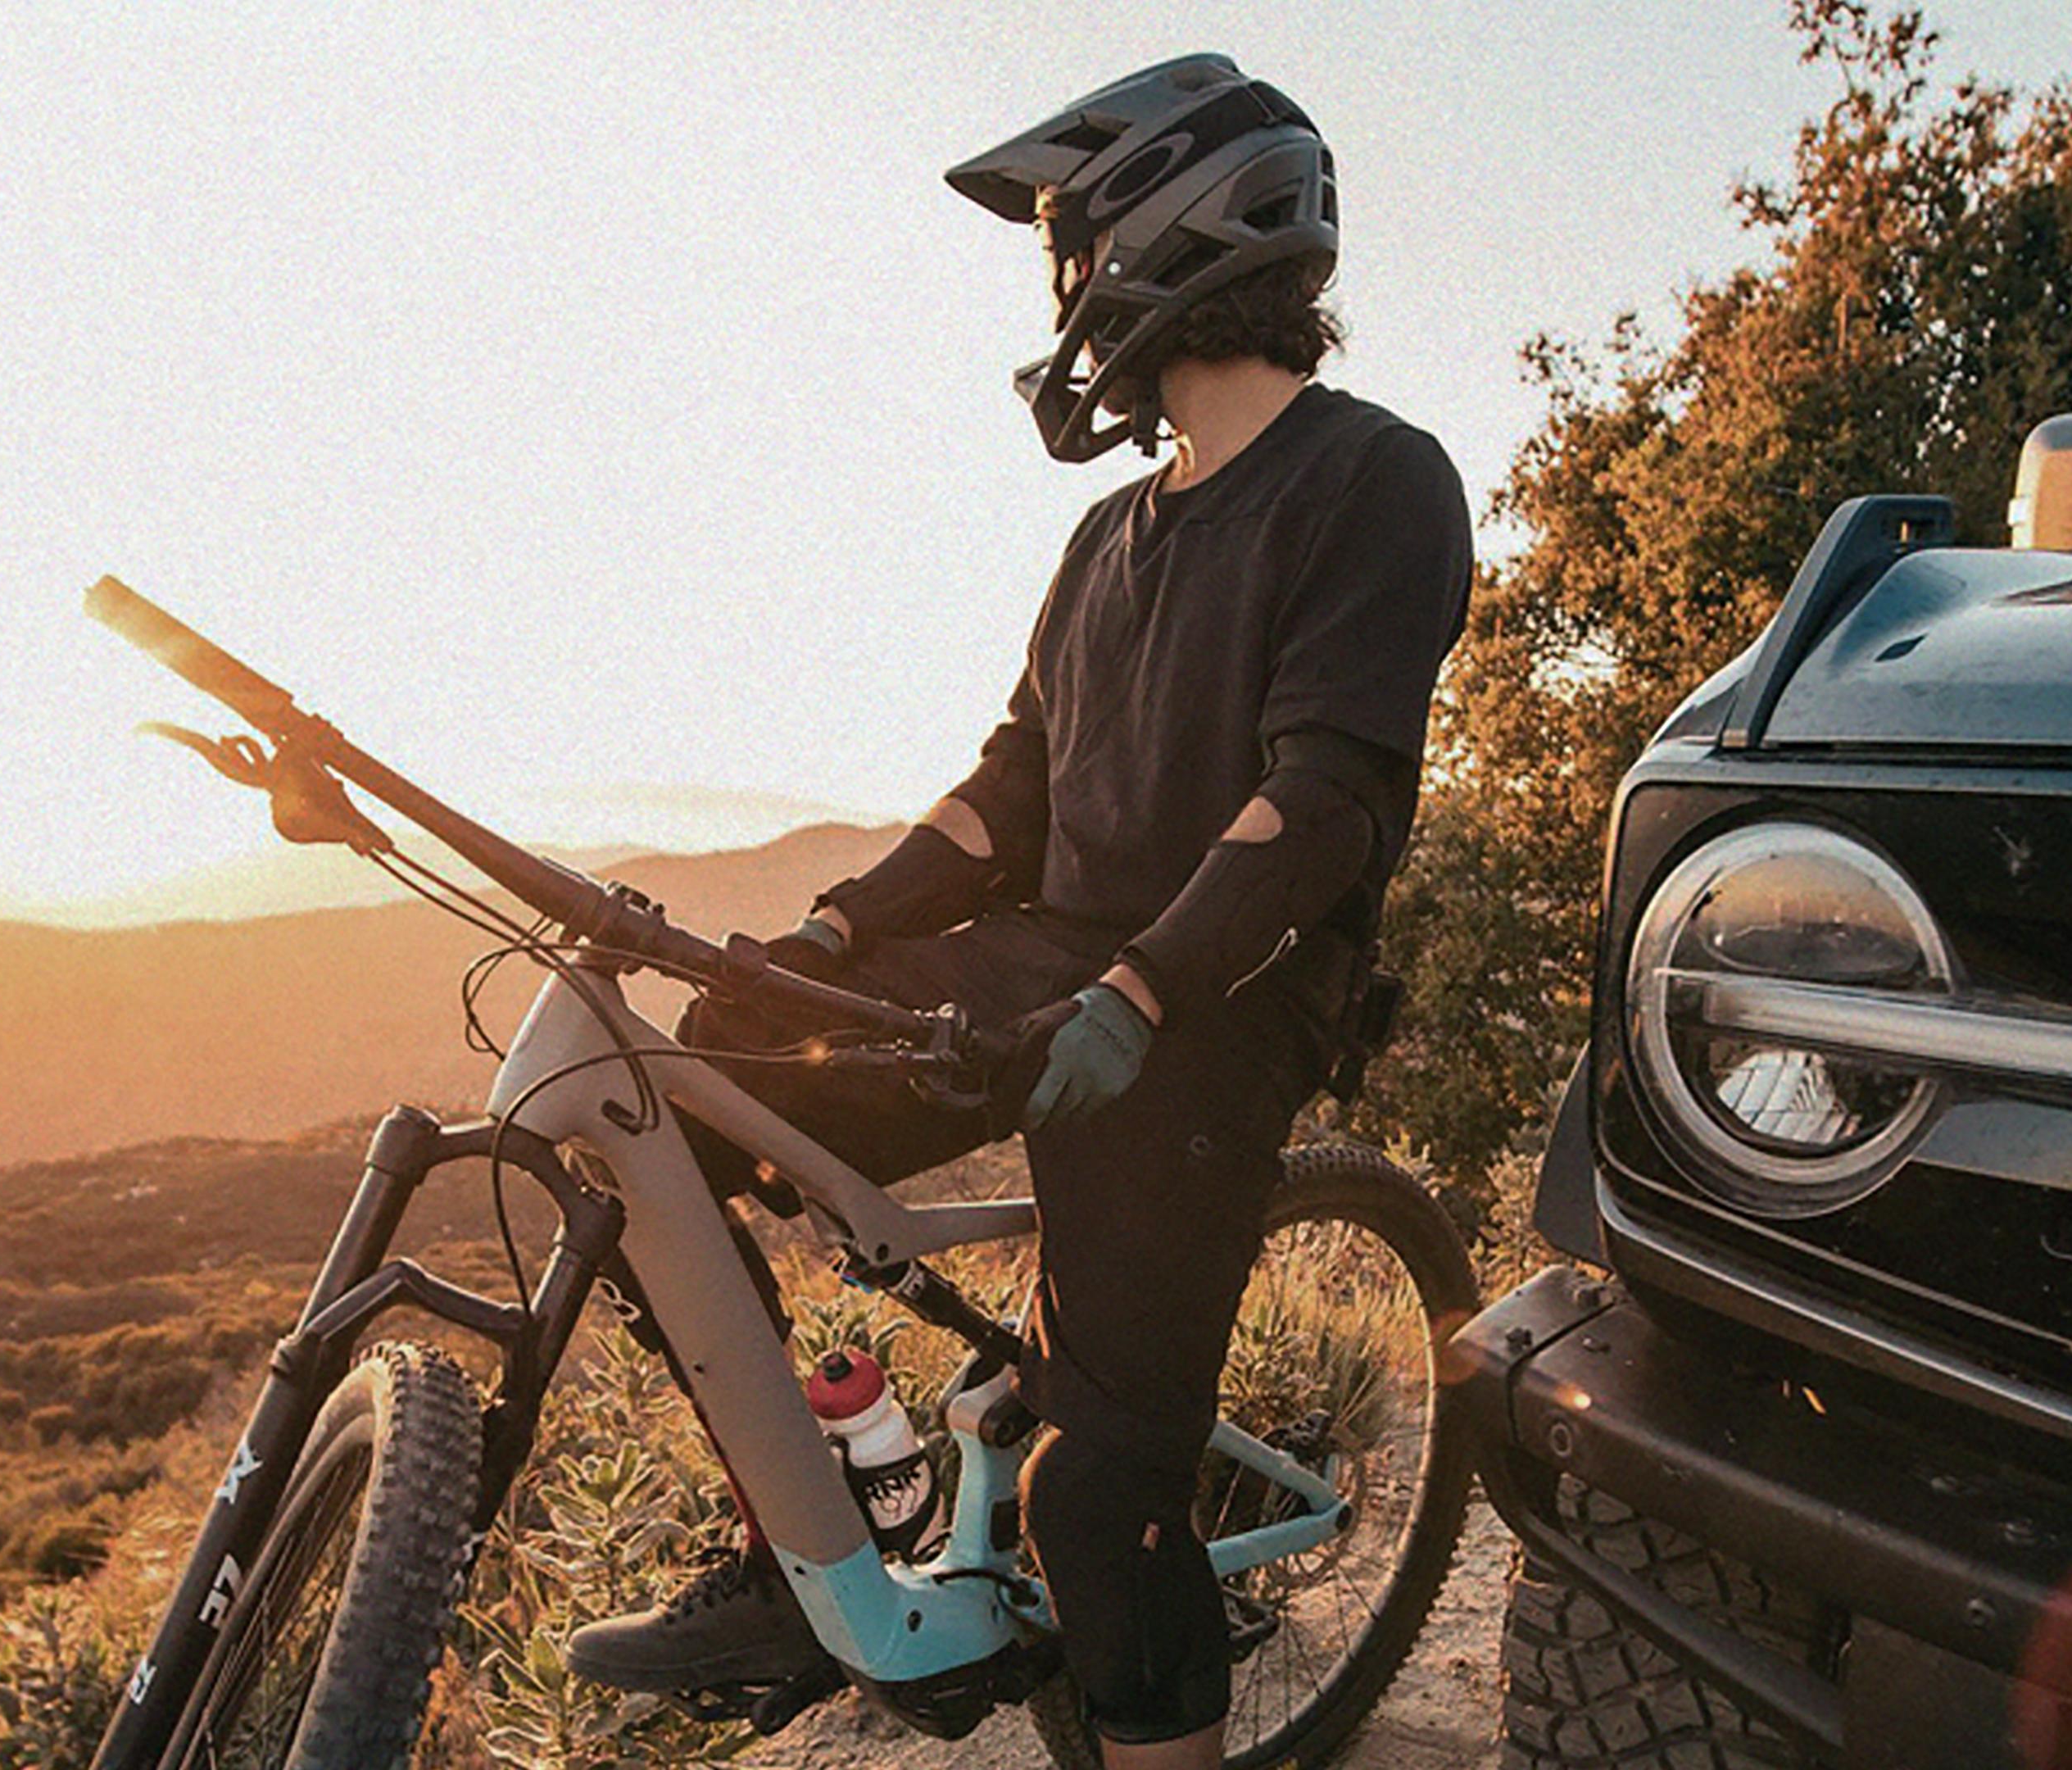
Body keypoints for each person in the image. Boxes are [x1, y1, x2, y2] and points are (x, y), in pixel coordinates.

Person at [565, 53, 1471, 1768]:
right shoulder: (1110, 536)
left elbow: (1328, 799)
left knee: (1100, 1494)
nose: (1061, 293)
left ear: (1174, 233)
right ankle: (804, 1550)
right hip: (1056, 965)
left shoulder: (1376, 480)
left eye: (1071, 244)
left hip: (1214, 1010)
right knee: (696, 1089)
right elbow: (1011, 790)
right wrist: (839, 933)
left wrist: (1138, 994)